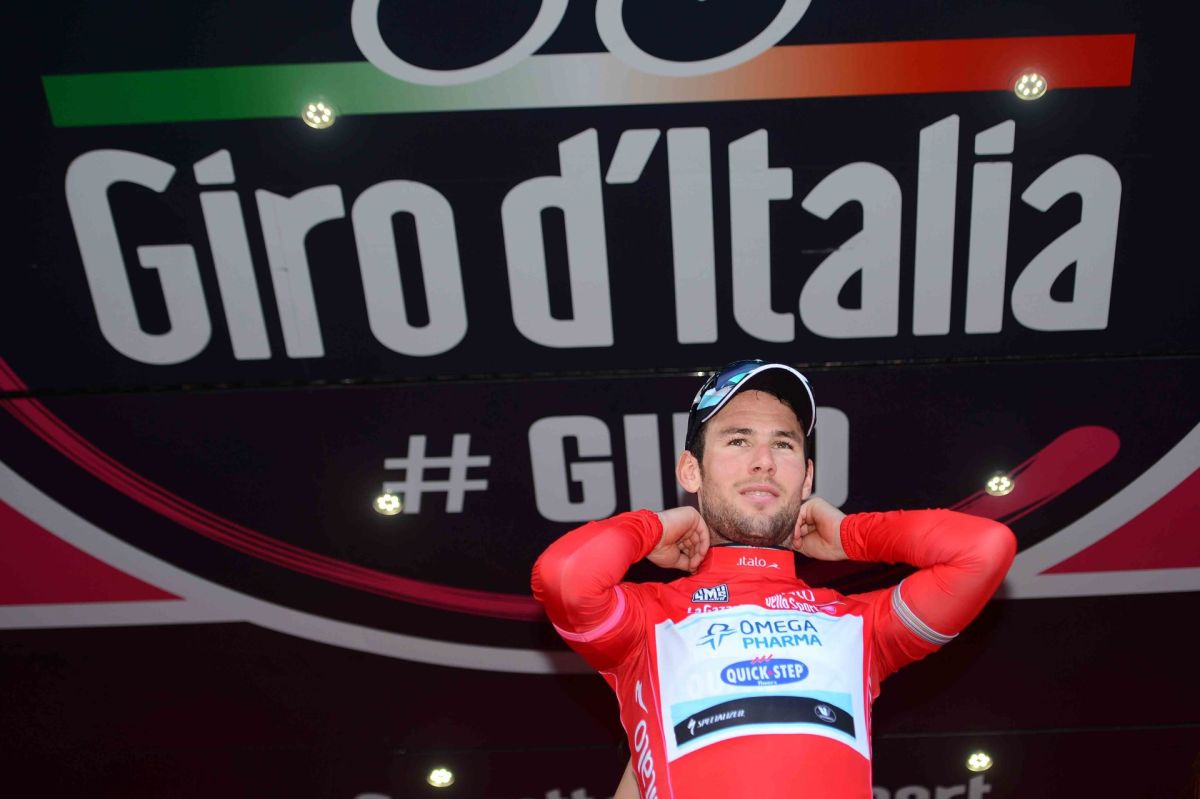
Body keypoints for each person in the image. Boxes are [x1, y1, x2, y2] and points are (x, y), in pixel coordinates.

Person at [532, 359, 1016, 799]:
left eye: (783, 444)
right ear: (691, 470)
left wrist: (853, 534)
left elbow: (984, 550)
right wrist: (654, 527)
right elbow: (566, 575)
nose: (763, 460)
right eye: (738, 440)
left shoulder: (858, 625)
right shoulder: (648, 620)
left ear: (806, 478)